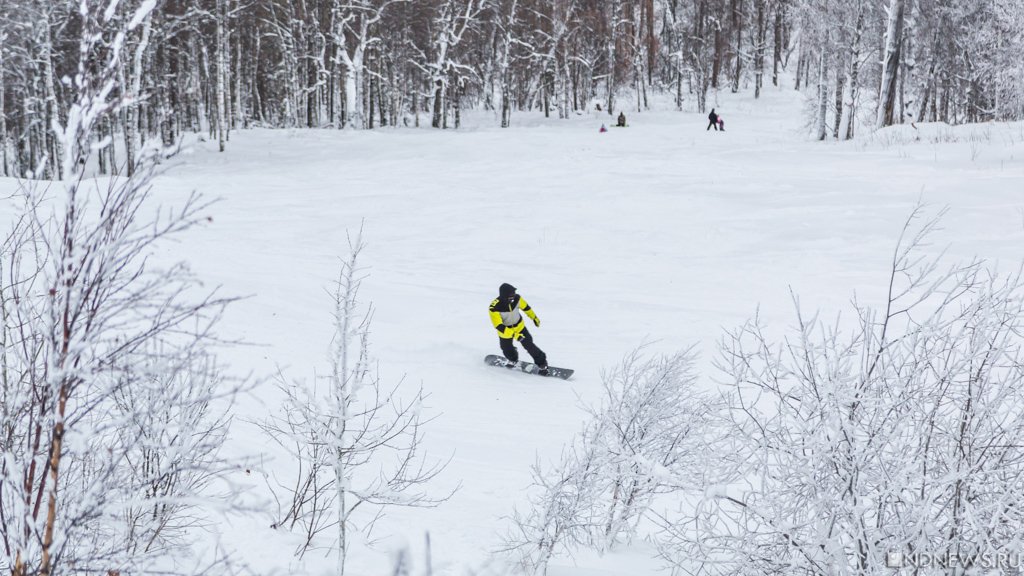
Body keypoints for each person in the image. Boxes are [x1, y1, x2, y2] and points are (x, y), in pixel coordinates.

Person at [489, 283, 548, 375]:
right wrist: (515, 335)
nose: (513, 296)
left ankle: (542, 364)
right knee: (506, 349)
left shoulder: (517, 298)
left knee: (529, 345)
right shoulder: (494, 307)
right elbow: (499, 326)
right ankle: (513, 359)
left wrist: (534, 317)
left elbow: (526, 308)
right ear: (504, 296)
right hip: (505, 331)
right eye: (511, 295)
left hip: (520, 327)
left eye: (514, 294)